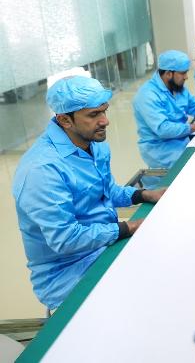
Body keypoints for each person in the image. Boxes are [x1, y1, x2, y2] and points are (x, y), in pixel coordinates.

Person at [13, 76, 166, 310]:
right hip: (68, 273)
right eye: (94, 115)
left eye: (104, 111)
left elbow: (107, 190)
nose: (105, 121)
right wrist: (128, 227)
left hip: (103, 245)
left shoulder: (94, 143)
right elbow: (66, 239)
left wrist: (144, 195)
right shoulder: (41, 170)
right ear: (65, 120)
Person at [133, 50, 195, 169]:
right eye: (183, 73)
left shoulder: (177, 87)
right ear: (168, 74)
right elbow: (163, 129)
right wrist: (194, 127)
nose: (186, 77)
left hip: (181, 139)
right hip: (161, 150)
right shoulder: (148, 95)